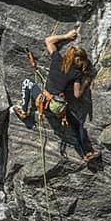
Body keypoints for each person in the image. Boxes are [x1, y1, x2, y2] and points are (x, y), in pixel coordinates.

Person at [12, 28, 99, 162]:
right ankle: (87, 153)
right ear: (79, 60)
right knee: (77, 125)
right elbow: (77, 94)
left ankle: (24, 110)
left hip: (43, 99)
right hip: (57, 106)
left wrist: (67, 36)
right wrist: (86, 82)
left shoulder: (57, 59)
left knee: (27, 82)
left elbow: (48, 40)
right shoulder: (76, 73)